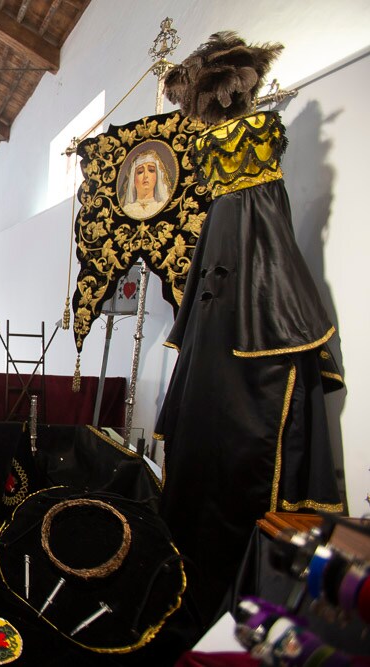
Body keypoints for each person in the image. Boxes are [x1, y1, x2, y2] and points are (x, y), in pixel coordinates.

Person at [157, 32, 343, 620]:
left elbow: (263, 246)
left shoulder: (250, 186)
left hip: (247, 330)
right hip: (222, 318)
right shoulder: (230, 199)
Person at [121, 149, 172, 219]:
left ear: (157, 176)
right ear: (133, 178)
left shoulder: (162, 207)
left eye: (151, 170)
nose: (146, 175)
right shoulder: (127, 210)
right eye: (140, 172)